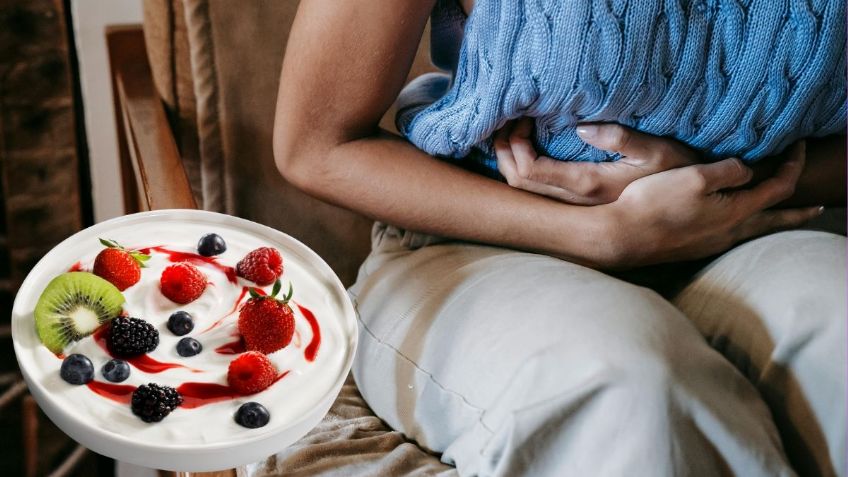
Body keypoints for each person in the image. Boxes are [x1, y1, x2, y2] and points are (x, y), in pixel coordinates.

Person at [273, 1, 846, 475]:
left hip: (749, 230)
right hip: (478, 245)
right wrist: (600, 234)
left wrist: (710, 183)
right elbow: (316, 146)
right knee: (630, 388)